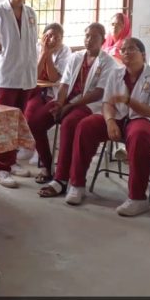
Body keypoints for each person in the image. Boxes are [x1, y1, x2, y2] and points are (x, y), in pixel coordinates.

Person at [58, 38, 150, 216]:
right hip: (119, 116)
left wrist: (127, 100)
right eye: (123, 49)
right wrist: (110, 121)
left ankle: (138, 198)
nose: (126, 52)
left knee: (138, 135)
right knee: (86, 126)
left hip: (147, 119)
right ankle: (77, 184)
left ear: (143, 55)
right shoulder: (116, 74)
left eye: (131, 49)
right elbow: (107, 103)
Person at [35, 23, 117, 192]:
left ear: (103, 40)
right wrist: (60, 104)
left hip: (88, 104)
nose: (89, 40)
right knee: (35, 123)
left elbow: (98, 93)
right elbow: (64, 84)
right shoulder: (76, 57)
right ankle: (48, 166)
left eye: (94, 37)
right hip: (66, 100)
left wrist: (70, 106)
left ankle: (61, 179)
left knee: (69, 124)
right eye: (87, 36)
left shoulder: (109, 62)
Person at [24, 23, 96, 183]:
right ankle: (45, 162)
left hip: (55, 95)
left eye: (57, 37)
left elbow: (54, 78)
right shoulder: (36, 47)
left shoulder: (66, 52)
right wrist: (43, 52)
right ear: (42, 36)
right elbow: (34, 75)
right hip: (38, 92)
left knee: (65, 124)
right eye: (49, 35)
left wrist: (48, 55)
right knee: (30, 121)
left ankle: (56, 172)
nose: (53, 40)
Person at [0, 0, 39, 187]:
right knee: (3, 124)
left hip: (26, 77)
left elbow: (32, 44)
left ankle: (10, 161)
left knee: (17, 122)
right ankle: (0, 167)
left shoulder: (30, 13)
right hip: (6, 77)